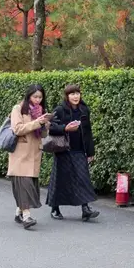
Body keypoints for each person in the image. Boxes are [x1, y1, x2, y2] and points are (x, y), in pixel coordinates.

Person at [46, 84, 99, 221]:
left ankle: (85, 209)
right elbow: (50, 128)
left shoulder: (84, 110)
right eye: (72, 94)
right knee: (60, 179)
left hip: (79, 149)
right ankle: (55, 209)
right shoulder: (60, 110)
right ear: (67, 96)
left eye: (77, 93)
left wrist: (90, 151)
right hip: (63, 149)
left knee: (83, 178)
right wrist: (65, 128)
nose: (76, 96)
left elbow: (88, 132)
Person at [9, 84, 51, 230]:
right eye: (35, 97)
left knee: (29, 185)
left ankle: (19, 212)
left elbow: (43, 135)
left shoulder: (41, 111)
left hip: (34, 153)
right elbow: (17, 129)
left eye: (40, 97)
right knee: (23, 183)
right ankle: (27, 216)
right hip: (21, 153)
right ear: (28, 96)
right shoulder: (18, 108)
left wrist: (45, 125)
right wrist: (36, 122)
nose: (38, 100)